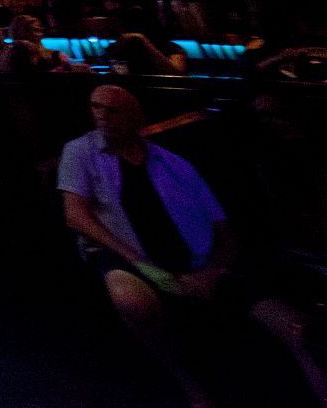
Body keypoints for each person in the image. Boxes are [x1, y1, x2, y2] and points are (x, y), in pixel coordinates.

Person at [59, 85, 327, 408]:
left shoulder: (175, 164)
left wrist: (213, 272)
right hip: (126, 255)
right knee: (133, 300)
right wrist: (140, 262)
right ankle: (188, 382)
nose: (102, 116)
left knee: (299, 329)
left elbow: (223, 229)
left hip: (199, 265)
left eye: (113, 110)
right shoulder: (80, 151)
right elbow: (75, 215)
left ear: (136, 115)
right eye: (96, 108)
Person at [0, 13, 79, 73]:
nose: (38, 34)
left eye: (39, 30)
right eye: (32, 30)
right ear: (20, 32)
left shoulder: (57, 56)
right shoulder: (10, 54)